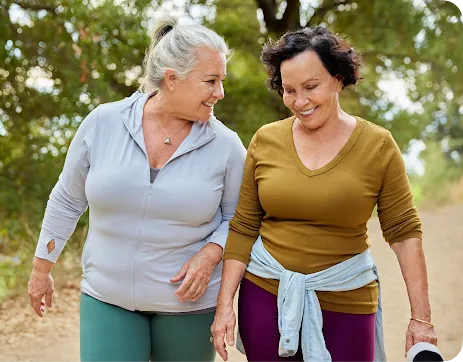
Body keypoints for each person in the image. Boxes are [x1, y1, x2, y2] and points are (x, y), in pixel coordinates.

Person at [210, 26, 438, 362]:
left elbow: (404, 234)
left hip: (347, 299)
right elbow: (244, 227)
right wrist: (224, 306)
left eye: (311, 87)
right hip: (265, 295)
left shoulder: (378, 146)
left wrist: (422, 319)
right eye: (289, 90)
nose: (299, 101)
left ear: (338, 78)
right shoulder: (265, 140)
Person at [27, 16, 246, 362]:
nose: (220, 92)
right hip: (107, 298)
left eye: (221, 80)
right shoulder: (103, 123)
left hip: (187, 307)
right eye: (211, 81)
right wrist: (42, 269)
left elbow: (239, 218)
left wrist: (210, 254)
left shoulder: (227, 146)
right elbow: (67, 199)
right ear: (172, 79)